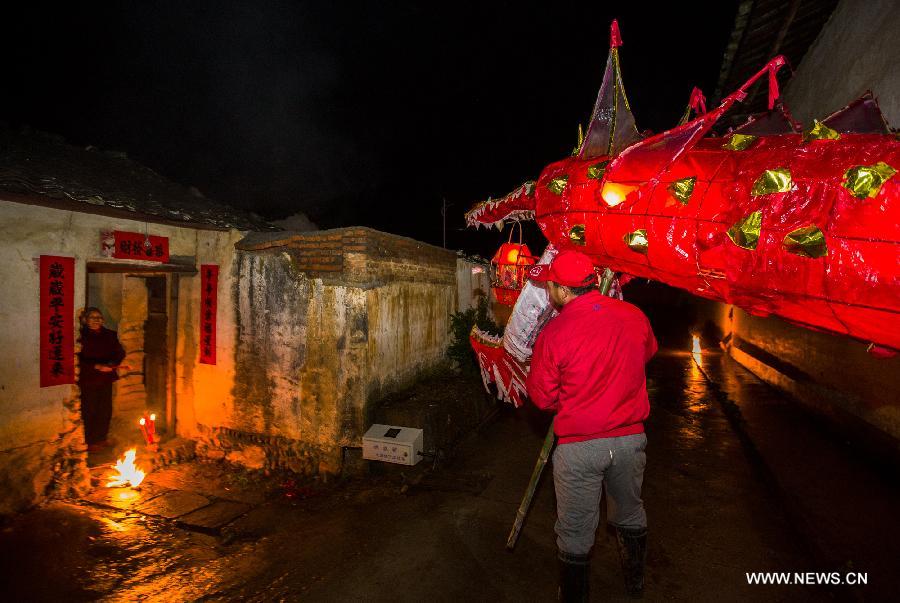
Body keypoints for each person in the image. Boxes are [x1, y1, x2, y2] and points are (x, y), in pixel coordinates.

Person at [525, 250, 657, 601]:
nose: (549, 290)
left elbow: (541, 397)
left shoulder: (555, 333)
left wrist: (574, 398)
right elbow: (645, 354)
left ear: (563, 291)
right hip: (630, 440)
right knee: (630, 512)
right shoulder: (634, 315)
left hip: (579, 448)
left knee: (575, 530)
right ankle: (635, 584)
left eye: (551, 285)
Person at [78, 307, 126, 451]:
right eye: (92, 317)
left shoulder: (110, 335)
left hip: (105, 377)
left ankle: (101, 438)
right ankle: (90, 440)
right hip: (89, 378)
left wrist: (112, 364)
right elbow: (78, 359)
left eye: (99, 317)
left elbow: (119, 352)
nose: (97, 320)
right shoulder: (81, 336)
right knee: (90, 409)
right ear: (85, 320)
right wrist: (97, 366)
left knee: (105, 409)